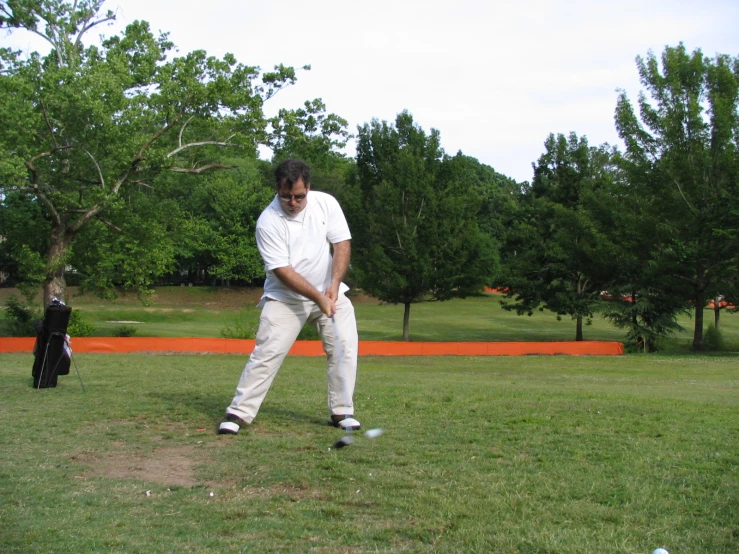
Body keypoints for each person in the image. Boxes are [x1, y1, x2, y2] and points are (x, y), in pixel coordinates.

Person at [218, 158, 360, 435]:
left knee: (344, 348)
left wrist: (334, 283)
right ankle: (238, 413)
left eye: (298, 196)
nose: (292, 202)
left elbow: (341, 243)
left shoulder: (326, 204)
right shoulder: (268, 221)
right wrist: (318, 297)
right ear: (277, 189)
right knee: (267, 353)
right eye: (286, 197)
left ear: (308, 187)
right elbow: (282, 270)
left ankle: (342, 411)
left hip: (331, 292)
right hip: (285, 298)